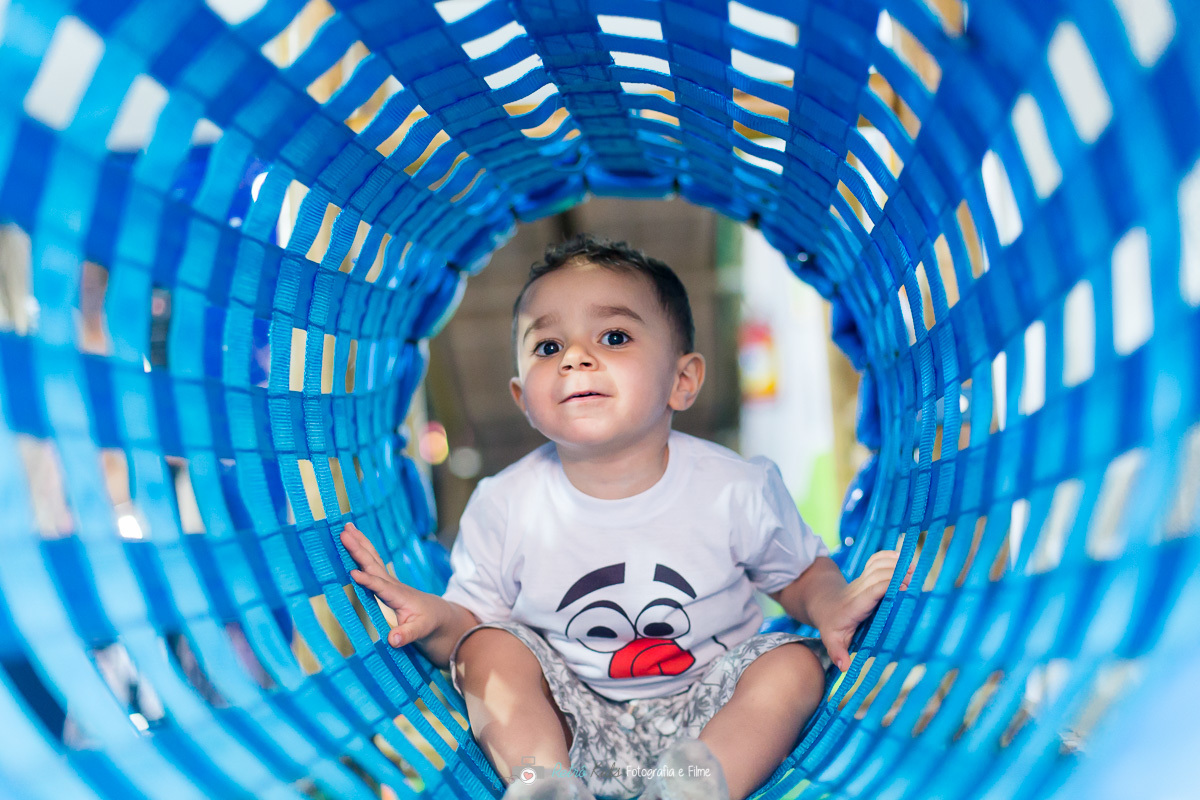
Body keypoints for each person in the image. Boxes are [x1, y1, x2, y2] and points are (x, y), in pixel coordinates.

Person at [340, 235, 910, 800]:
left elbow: (801, 575)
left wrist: (832, 604)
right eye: (547, 347)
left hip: (712, 717)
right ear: (522, 398)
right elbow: (469, 628)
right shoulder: (504, 504)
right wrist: (433, 619)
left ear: (681, 381)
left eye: (614, 337)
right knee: (489, 650)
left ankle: (690, 791)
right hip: (571, 723)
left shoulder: (736, 488)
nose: (575, 358)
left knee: (793, 665)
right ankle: (543, 784)